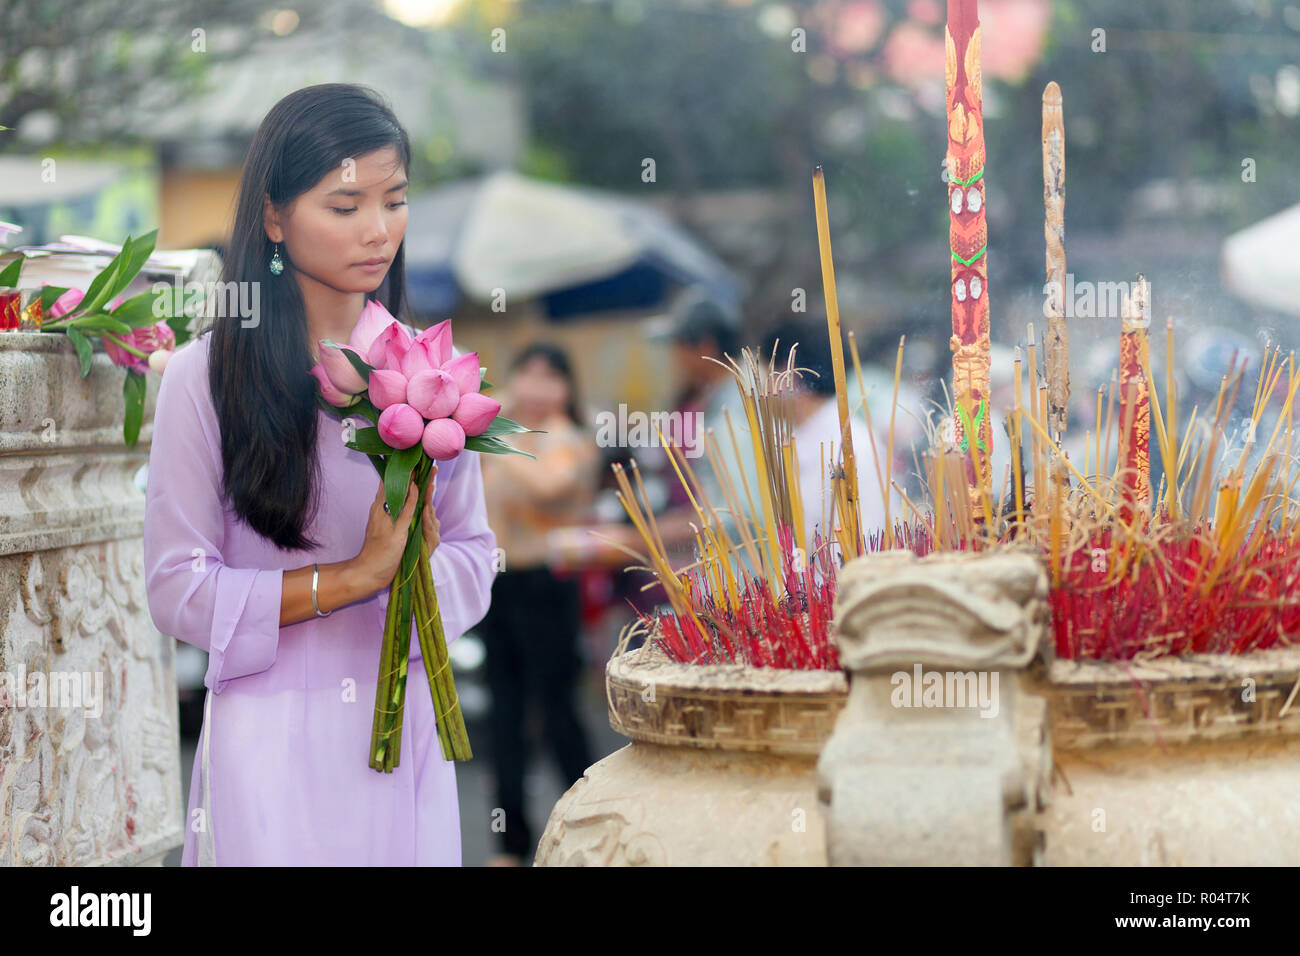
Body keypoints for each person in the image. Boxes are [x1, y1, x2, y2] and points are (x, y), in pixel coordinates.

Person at [142, 84, 497, 866]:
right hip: (264, 739)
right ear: (274, 216)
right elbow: (177, 588)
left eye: (395, 201)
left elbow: (476, 554)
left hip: (396, 731)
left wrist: (417, 573)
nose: (378, 231)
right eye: (345, 206)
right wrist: (354, 575)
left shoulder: (435, 376)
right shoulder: (204, 377)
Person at [477, 342, 599, 866]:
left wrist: (495, 430)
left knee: (556, 714)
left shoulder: (572, 441)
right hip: (500, 588)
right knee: (503, 716)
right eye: (524, 375)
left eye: (549, 377)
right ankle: (510, 846)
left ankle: (593, 832)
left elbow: (551, 487)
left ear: (568, 388)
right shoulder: (500, 436)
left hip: (550, 586)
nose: (535, 388)